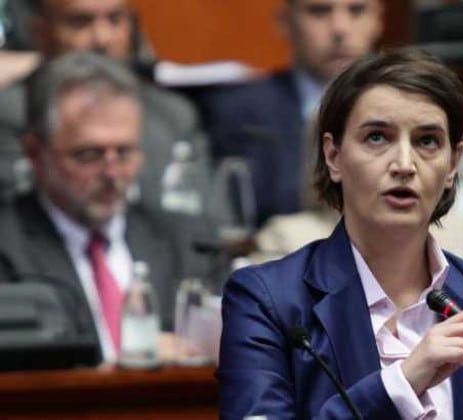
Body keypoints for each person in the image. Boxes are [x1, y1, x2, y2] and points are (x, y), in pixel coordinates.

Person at [218, 48, 463, 419]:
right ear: (334, 156)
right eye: (377, 137)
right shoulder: (268, 301)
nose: (404, 165)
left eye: (427, 141)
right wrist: (401, 384)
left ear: (453, 163)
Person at [0, 51, 217, 364]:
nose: (112, 173)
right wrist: (115, 369)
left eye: (124, 153)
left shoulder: (187, 242)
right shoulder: (7, 247)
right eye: (89, 155)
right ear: (35, 153)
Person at [0, 0, 210, 213]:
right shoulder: (8, 113)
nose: (102, 39)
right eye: (80, 22)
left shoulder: (172, 114)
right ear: (40, 32)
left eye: (115, 20)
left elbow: (200, 214)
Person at [199, 0, 384, 226]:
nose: (339, 28)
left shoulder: (409, 109)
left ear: (378, 20)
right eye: (319, 11)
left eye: (357, 11)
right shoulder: (236, 112)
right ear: (285, 22)